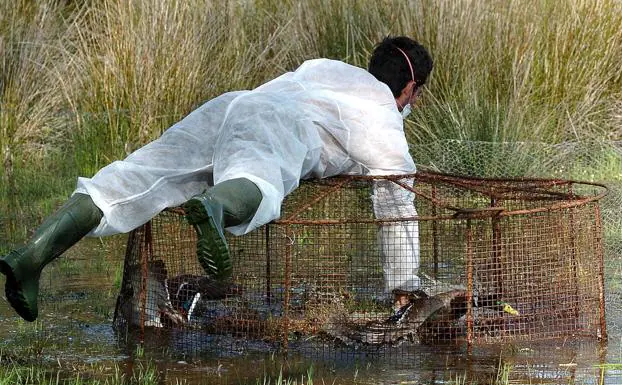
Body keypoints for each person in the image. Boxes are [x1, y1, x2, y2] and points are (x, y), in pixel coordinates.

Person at [0, 35, 433, 322]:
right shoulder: (383, 116)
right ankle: (218, 206)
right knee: (259, 180)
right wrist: (404, 287)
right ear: (410, 89)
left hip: (232, 106)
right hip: (280, 126)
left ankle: (33, 256)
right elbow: (396, 203)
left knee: (134, 178)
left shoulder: (325, 69)